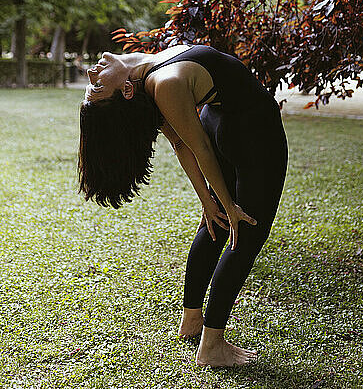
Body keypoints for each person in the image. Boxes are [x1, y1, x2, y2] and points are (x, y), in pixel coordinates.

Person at [78, 42, 288, 367]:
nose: (93, 72)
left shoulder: (150, 77)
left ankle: (192, 322)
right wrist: (223, 203)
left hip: (223, 121)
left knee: (216, 224)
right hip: (253, 131)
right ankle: (213, 346)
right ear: (127, 90)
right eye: (98, 84)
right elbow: (195, 147)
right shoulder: (165, 85)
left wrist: (211, 202)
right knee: (245, 234)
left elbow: (181, 143)